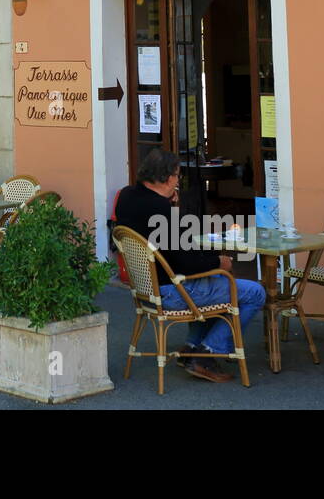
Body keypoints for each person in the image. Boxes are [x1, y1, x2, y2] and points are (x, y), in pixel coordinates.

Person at [114, 149, 266, 383]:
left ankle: (192, 348)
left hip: (146, 290)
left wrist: (170, 205)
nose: (178, 181)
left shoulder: (127, 196)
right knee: (253, 292)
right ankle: (207, 352)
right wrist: (219, 262)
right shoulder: (161, 209)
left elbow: (168, 243)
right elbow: (188, 263)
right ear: (167, 178)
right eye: (177, 176)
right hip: (173, 291)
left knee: (220, 286)